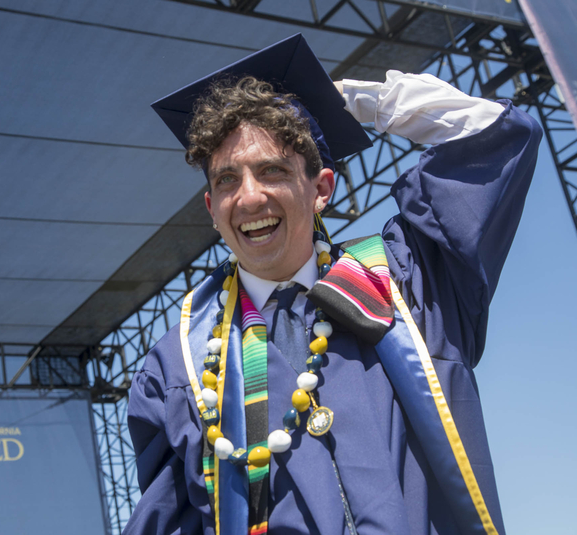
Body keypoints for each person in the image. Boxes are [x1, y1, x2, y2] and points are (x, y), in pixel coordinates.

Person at [125, 34, 542, 535]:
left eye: (272, 171)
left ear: (321, 188)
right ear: (212, 209)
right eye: (228, 180)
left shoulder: (408, 282)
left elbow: (496, 137)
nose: (250, 198)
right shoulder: (183, 367)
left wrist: (362, 102)